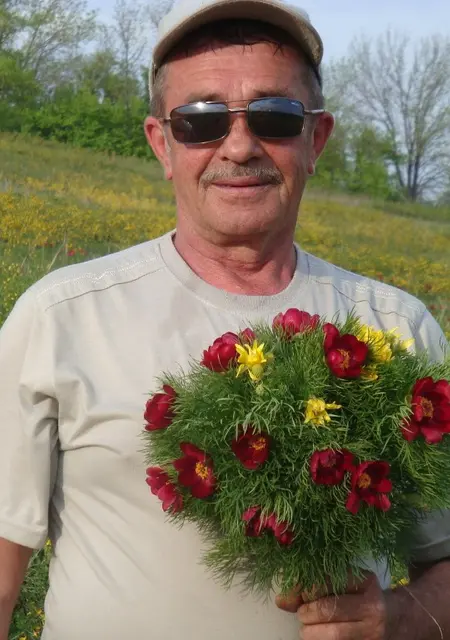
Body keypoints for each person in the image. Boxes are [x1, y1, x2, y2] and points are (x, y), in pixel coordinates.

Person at [0, 0, 449, 638]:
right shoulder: (61, 316)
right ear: (162, 143)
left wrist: (399, 617)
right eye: (200, 121)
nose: (238, 146)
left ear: (316, 139)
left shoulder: (397, 328)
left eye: (275, 115)